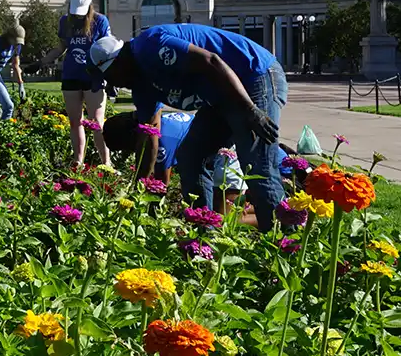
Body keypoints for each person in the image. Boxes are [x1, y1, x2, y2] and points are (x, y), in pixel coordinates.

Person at [88, 23, 287, 232]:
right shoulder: (141, 87)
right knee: (191, 157)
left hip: (253, 76)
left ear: (117, 63)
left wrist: (250, 109)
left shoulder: (150, 46)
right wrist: (138, 194)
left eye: (108, 77)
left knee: (258, 164)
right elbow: (149, 137)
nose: (112, 85)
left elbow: (211, 61)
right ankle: (203, 237)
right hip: (220, 95)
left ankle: (286, 245)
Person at [102, 109, 247, 216]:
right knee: (219, 209)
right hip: (210, 152)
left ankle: (267, 218)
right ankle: (256, 204)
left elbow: (161, 185)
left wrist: (149, 215)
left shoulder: (160, 142)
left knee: (224, 218)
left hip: (224, 154)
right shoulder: (158, 121)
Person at [57, 0, 110, 168]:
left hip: (93, 76)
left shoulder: (100, 21)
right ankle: (78, 161)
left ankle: (107, 163)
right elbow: (62, 46)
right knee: (75, 121)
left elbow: (108, 47)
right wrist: (42, 62)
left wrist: (110, 75)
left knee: (97, 123)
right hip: (71, 75)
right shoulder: (65, 21)